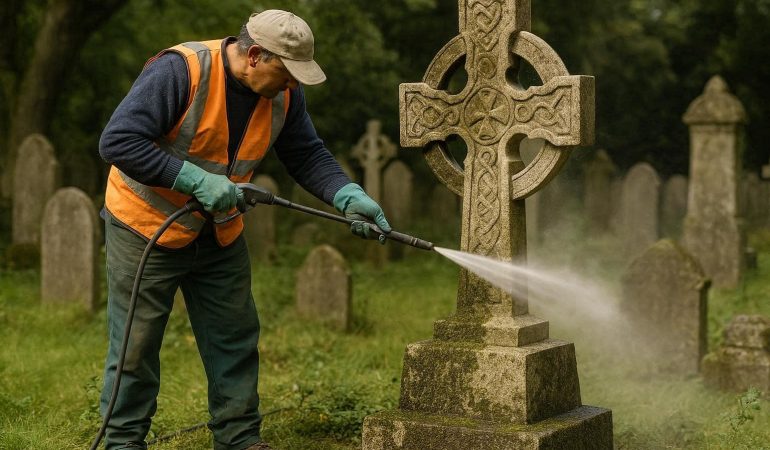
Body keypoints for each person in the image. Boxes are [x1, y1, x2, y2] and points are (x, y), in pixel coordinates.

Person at [97, 9, 390, 450]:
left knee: (233, 337)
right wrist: (194, 179)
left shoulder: (285, 96)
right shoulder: (182, 71)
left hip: (219, 230)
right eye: (286, 73)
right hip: (146, 225)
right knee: (135, 347)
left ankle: (238, 439)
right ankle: (122, 442)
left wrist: (346, 194)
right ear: (254, 55)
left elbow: (307, 154)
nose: (291, 84)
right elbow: (117, 141)